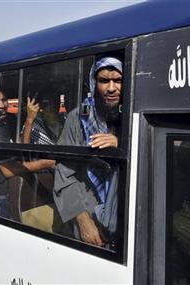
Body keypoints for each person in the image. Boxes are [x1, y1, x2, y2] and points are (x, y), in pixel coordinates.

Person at [53, 56, 123, 247]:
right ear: (94, 83)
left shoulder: (134, 117)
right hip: (91, 218)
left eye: (117, 80)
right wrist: (83, 220)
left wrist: (122, 145)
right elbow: (64, 172)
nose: (111, 88)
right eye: (103, 81)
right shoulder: (79, 118)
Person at [0, 86, 55, 218]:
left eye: (4, 100)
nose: (2, 105)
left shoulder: (1, 120)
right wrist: (47, 163)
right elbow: (9, 170)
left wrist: (29, 120)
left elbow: (22, 149)